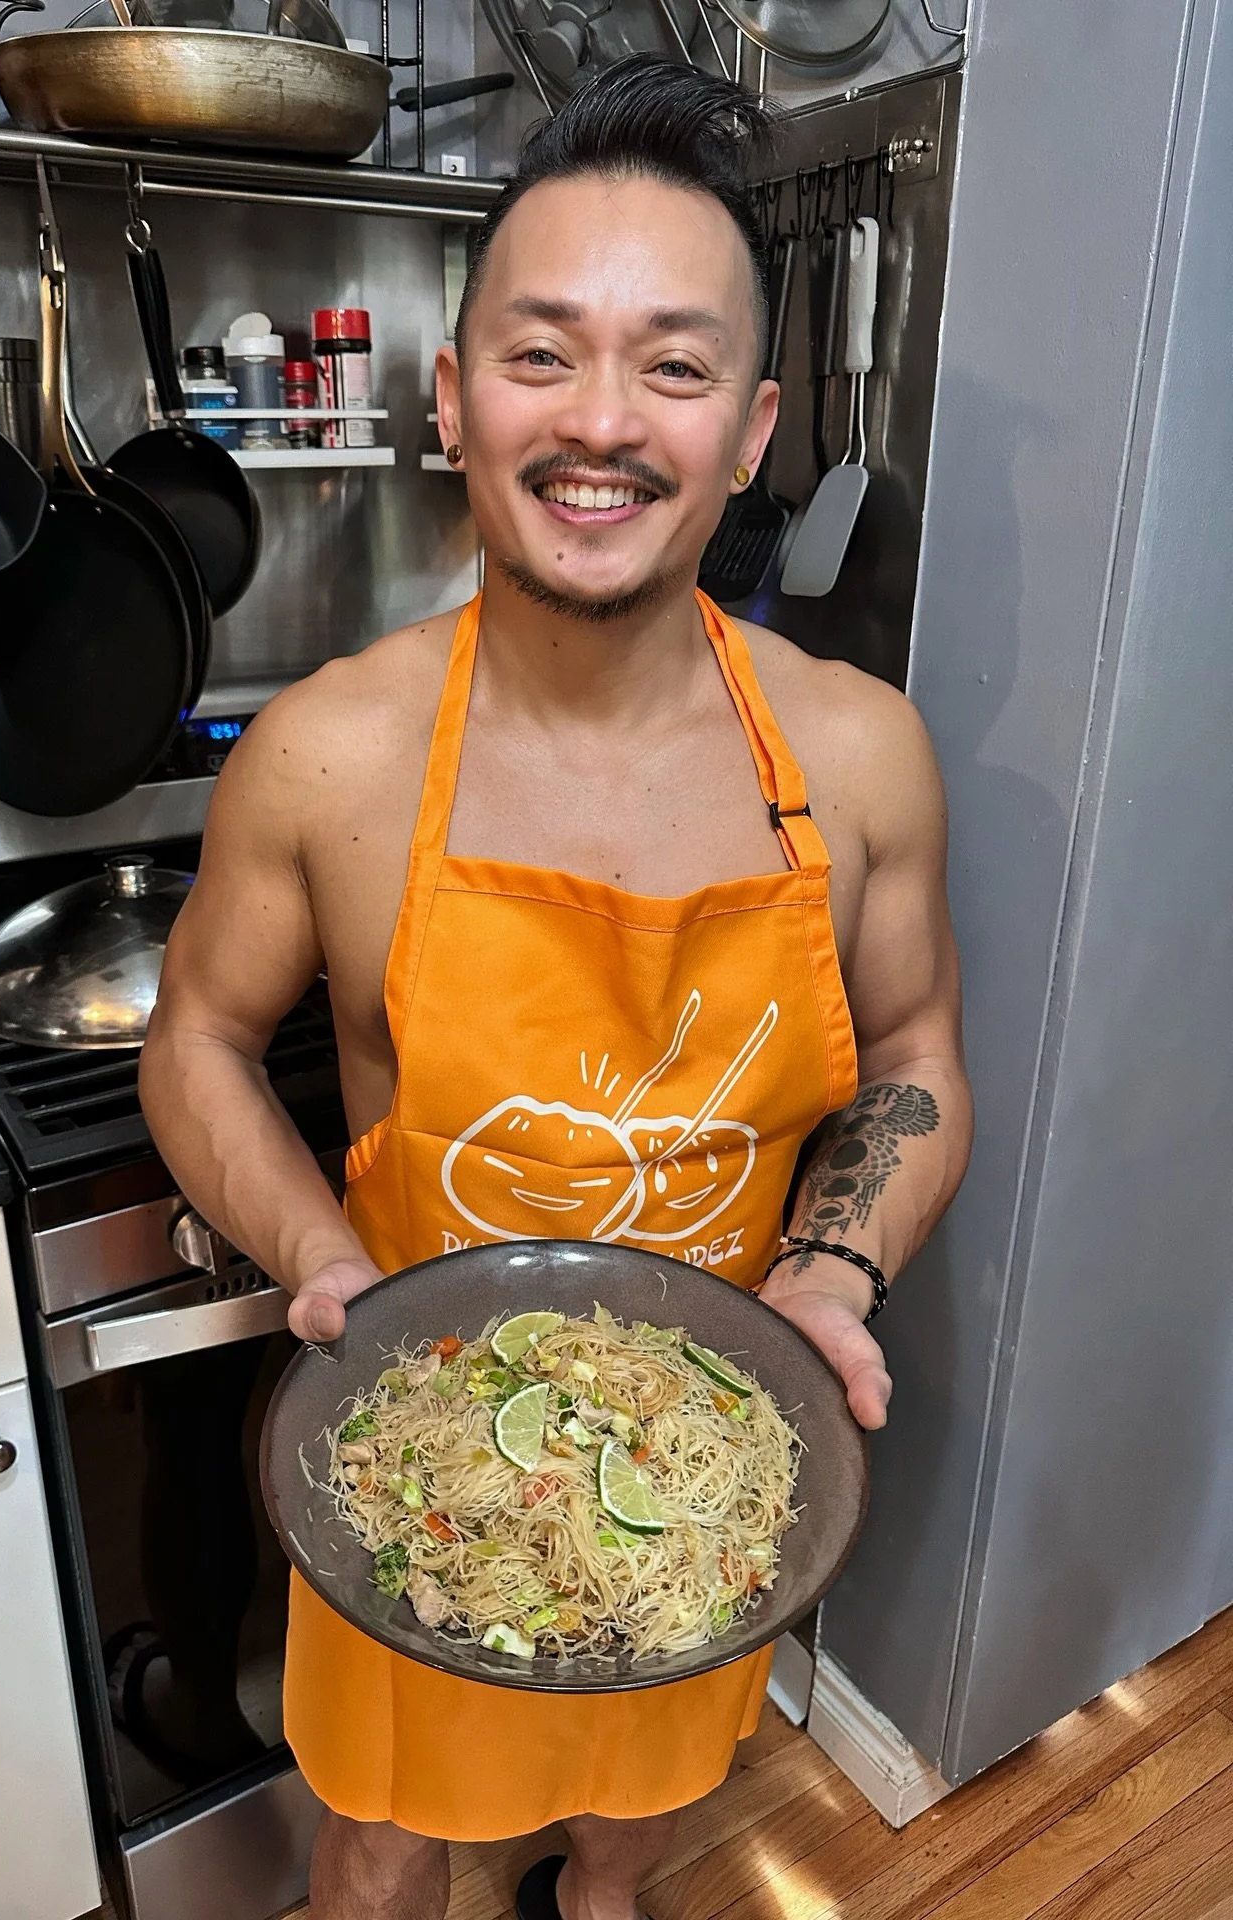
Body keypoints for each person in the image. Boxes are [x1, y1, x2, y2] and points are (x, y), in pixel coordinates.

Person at [140, 54, 973, 1920]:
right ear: (453, 402)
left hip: (699, 1479)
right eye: (542, 352)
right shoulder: (329, 756)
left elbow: (914, 1049)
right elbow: (194, 1040)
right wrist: (312, 1260)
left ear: (749, 432)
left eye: (673, 366)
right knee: (383, 1839)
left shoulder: (859, 754)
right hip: (430, 1454)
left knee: (635, 1822)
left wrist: (831, 1269)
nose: (603, 421)